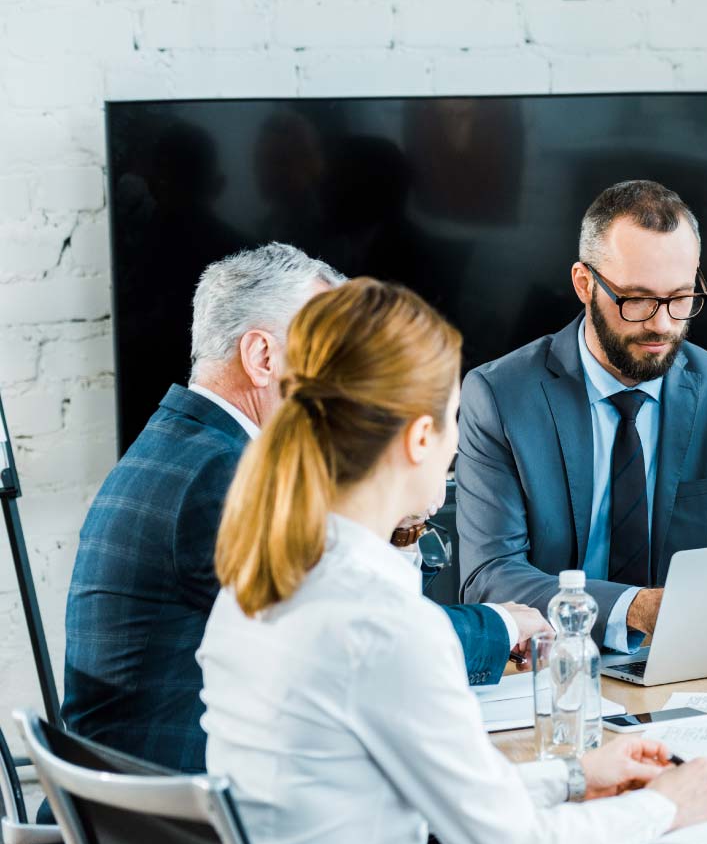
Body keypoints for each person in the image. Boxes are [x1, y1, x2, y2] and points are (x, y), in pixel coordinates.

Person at [199, 278, 707, 844]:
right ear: (420, 438)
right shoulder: (385, 623)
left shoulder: (262, 579)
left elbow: (434, 780)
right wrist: (669, 803)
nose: (455, 444)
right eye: (451, 420)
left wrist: (579, 775)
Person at [61, 244, 539, 778]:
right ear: (263, 358)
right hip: (179, 833)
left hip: (137, 819)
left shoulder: (186, 446)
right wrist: (500, 626)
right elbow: (366, 636)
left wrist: (404, 525)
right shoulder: (222, 476)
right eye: (325, 357)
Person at [457, 180, 707, 651]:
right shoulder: (500, 396)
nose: (663, 324)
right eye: (637, 299)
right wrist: (634, 608)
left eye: (681, 297)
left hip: (686, 660)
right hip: (555, 663)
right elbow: (491, 576)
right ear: (584, 284)